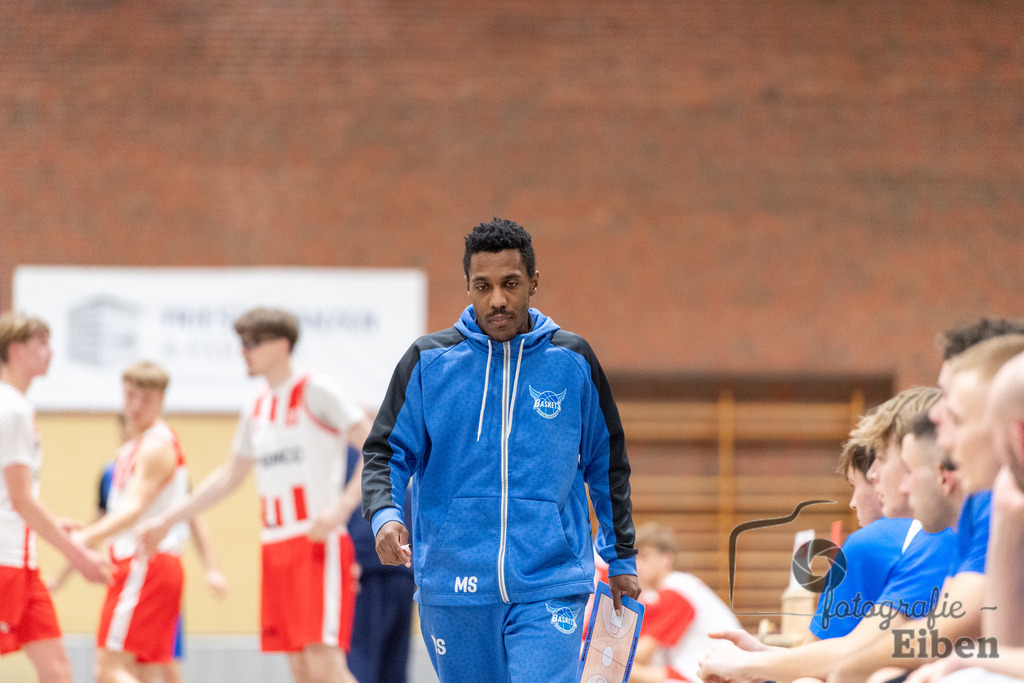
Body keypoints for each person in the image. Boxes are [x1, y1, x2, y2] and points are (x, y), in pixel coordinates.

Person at [362, 218, 640, 682]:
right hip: (454, 586)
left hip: (550, 580)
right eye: (483, 286)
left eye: (510, 284)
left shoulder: (573, 361)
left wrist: (621, 557)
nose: (497, 300)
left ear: (533, 282)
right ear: (467, 288)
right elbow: (386, 453)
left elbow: (606, 464)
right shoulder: (428, 362)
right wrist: (385, 516)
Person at [137, 307, 369, 683]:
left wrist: (341, 509)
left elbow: (377, 446)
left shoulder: (317, 389)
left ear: (280, 346)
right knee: (301, 670)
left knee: (325, 667)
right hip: (275, 544)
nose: (242, 351)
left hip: (316, 542)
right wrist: (167, 519)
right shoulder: (256, 405)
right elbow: (229, 476)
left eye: (250, 343)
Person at [697, 387, 954, 682]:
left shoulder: (938, 534)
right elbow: (862, 651)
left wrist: (750, 667)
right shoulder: (931, 538)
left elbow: (851, 657)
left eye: (882, 459)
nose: (873, 476)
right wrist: (762, 661)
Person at [827, 334, 1024, 681]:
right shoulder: (990, 508)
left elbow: (939, 635)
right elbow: (999, 644)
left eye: (956, 418)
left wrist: (966, 660)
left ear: (1015, 435)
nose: (944, 440)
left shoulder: (984, 508)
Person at [0, 311, 109, 683]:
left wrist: (47, 523)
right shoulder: (12, 409)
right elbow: (20, 499)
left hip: (24, 562)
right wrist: (78, 556)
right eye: (41, 344)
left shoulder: (14, 406)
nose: (51, 352)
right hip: (5, 561)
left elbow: (17, 497)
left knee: (57, 668)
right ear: (15, 350)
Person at [73, 362, 191, 682]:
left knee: (109, 670)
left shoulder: (156, 446)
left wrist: (85, 538)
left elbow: (134, 509)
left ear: (162, 399)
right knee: (147, 671)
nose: (136, 405)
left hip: (145, 564)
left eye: (146, 398)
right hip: (148, 565)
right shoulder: (132, 447)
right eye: (130, 396)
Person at [628, 522, 740, 683]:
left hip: (707, 674)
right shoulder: (672, 589)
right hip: (705, 668)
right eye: (634, 557)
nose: (636, 565)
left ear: (665, 559)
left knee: (617, 667)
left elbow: (641, 654)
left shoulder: (677, 590)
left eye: (644, 556)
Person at [344, 445, 416, 683]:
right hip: (402, 567)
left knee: (362, 661)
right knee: (392, 664)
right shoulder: (395, 453)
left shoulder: (350, 456)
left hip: (369, 566)